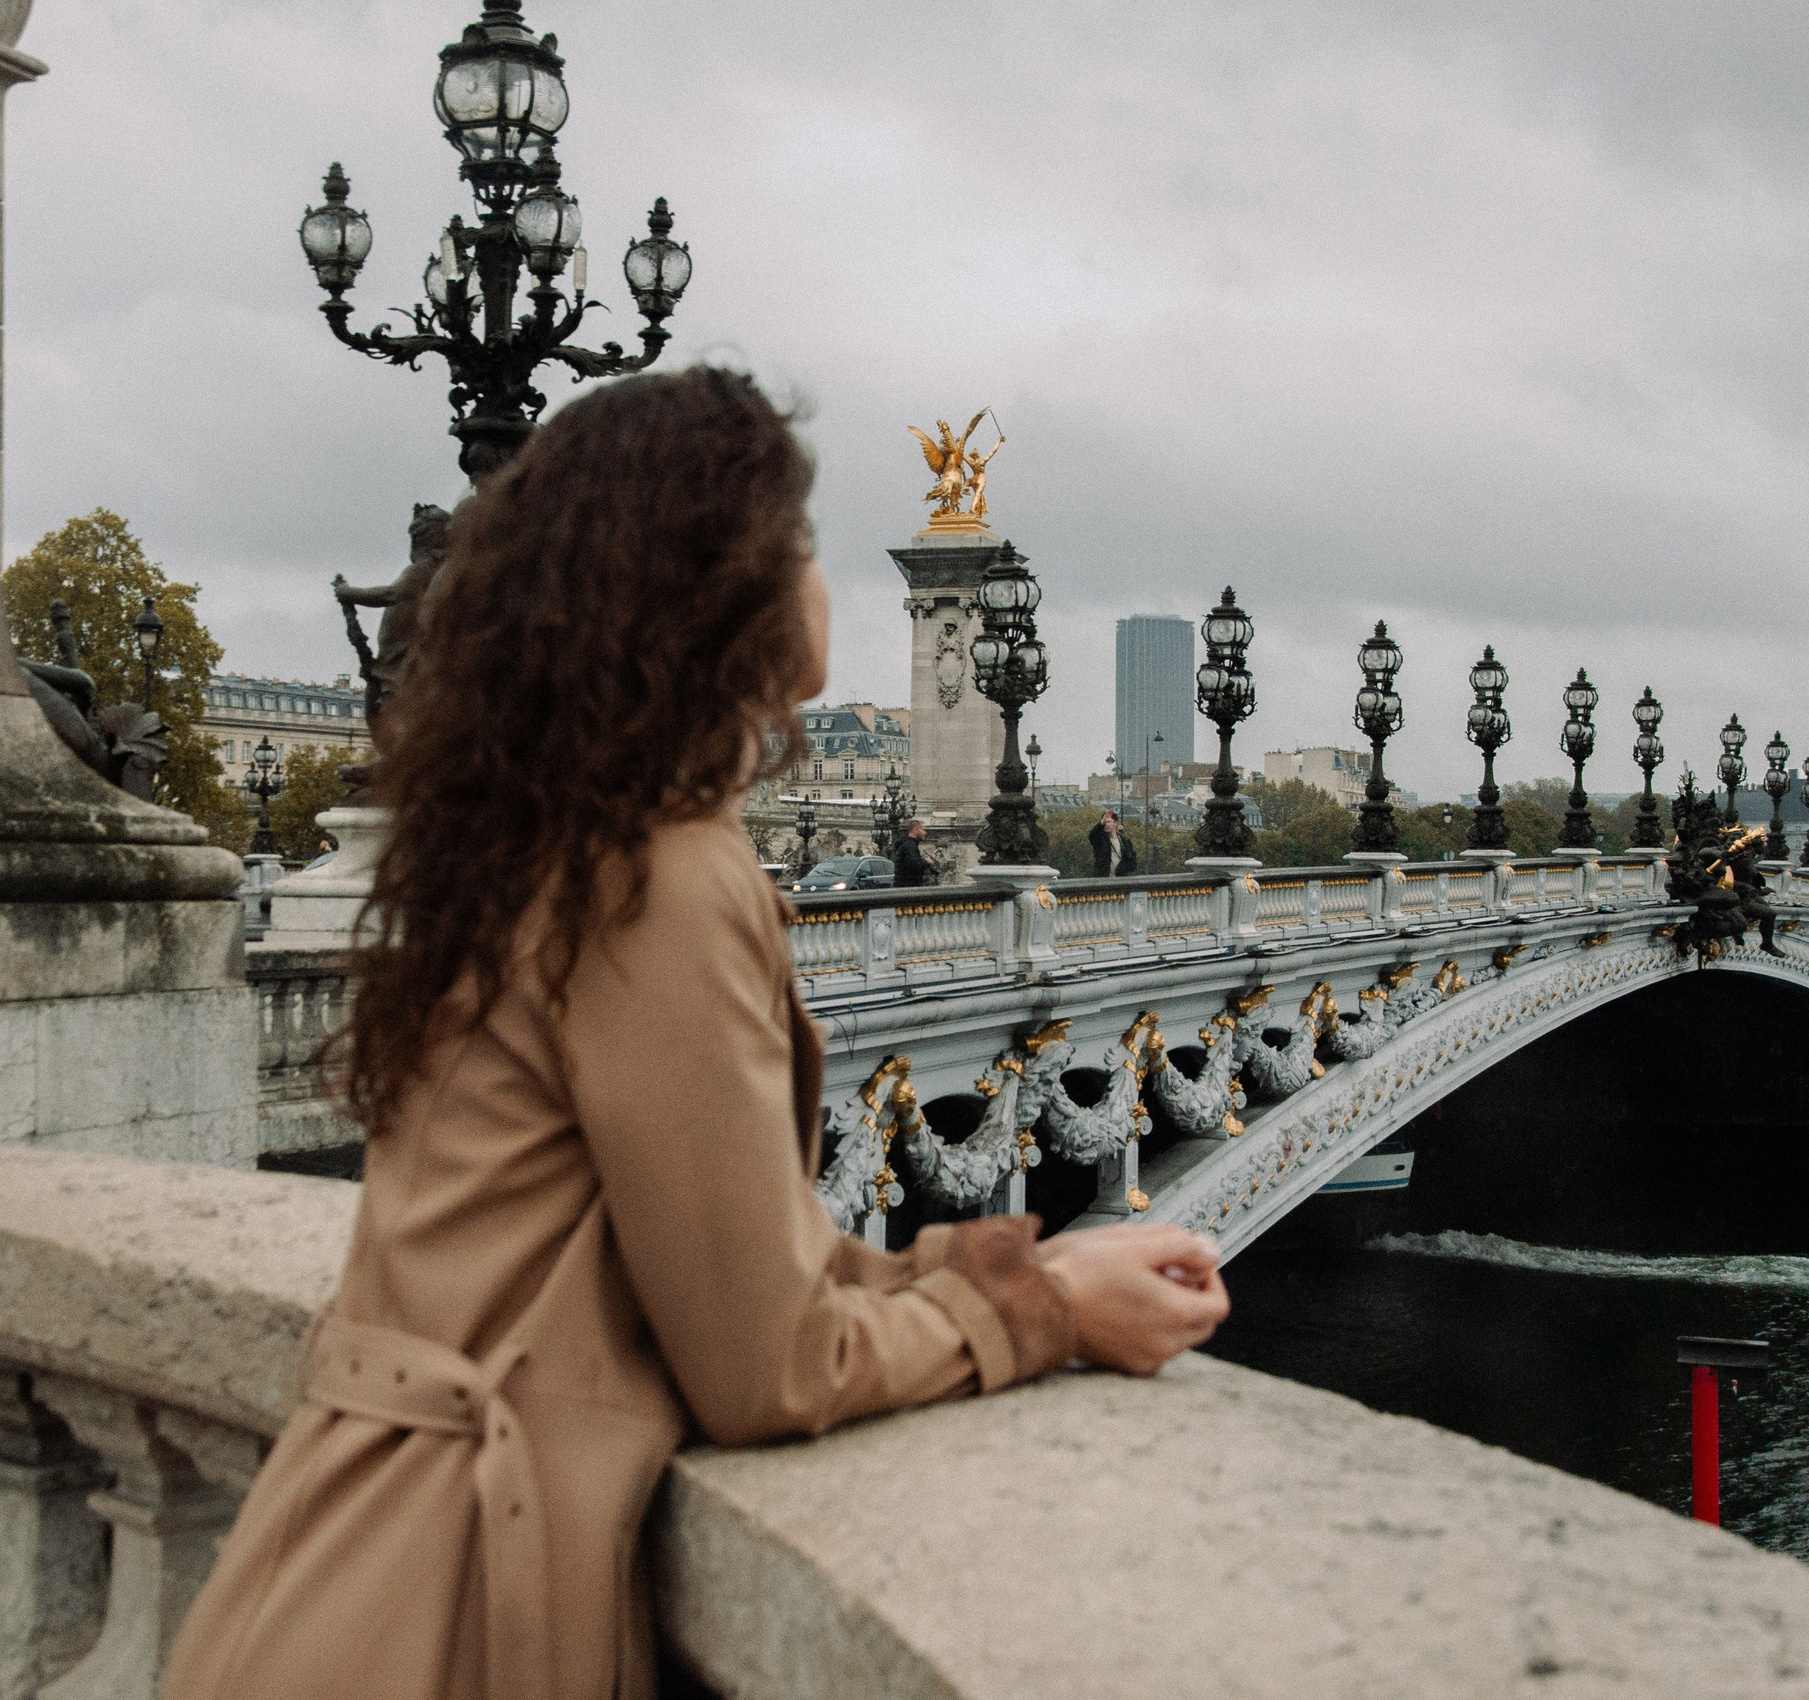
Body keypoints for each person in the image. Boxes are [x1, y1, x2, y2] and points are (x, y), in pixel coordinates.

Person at [160, 369, 1230, 1700]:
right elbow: (769, 1364)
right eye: (801, 541)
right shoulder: (657, 874)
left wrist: (1012, 1261)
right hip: (439, 1619)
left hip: (332, 1577)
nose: (819, 574)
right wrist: (1048, 1313)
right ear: (729, 585)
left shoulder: (531, 839)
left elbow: (730, 1266)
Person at [892, 816, 934, 886]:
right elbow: (914, 865)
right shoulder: (910, 846)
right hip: (908, 887)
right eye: (923, 830)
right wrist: (926, 861)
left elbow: (908, 866)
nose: (925, 833)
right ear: (916, 830)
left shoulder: (908, 844)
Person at [1089, 807, 1129, 877]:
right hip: (1103, 878)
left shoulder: (1124, 841)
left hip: (1120, 879)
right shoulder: (1100, 839)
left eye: (1108, 822)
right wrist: (1101, 823)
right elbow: (1092, 835)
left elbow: (1131, 860)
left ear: (1115, 823)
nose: (1106, 824)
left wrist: (1123, 868)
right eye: (1105, 822)